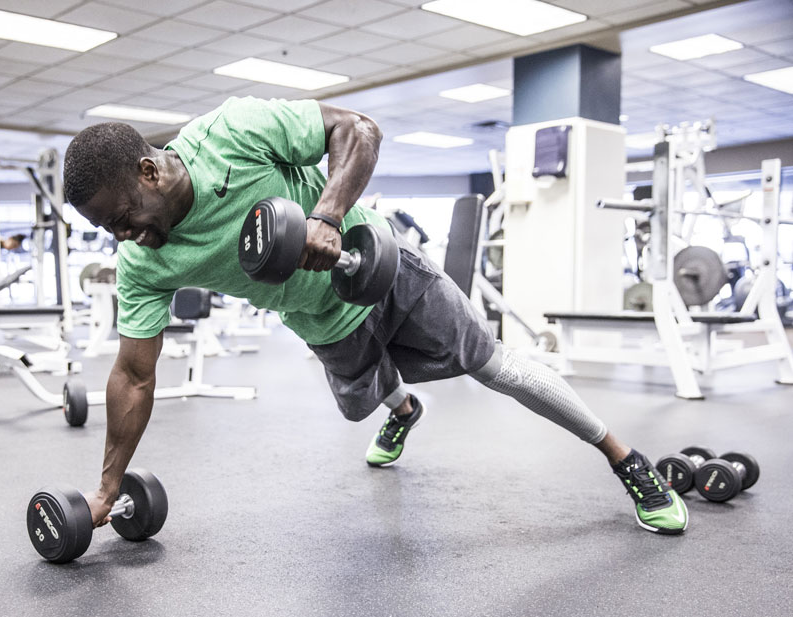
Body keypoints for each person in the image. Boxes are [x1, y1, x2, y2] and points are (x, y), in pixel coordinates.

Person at [62, 96, 688, 536]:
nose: (124, 237)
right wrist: (107, 487)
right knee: (360, 404)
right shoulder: (144, 265)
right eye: (108, 229)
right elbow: (134, 376)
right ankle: (405, 411)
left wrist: (327, 215)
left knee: (490, 364)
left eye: (122, 217)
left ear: (149, 171)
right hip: (321, 323)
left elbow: (357, 128)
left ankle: (623, 457)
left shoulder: (234, 131)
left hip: (380, 270)